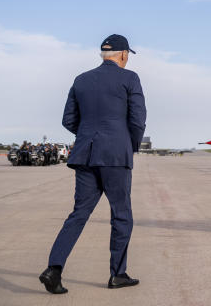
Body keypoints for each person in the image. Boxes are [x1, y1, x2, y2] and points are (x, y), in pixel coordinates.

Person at [40, 34, 147, 294]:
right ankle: (117, 274)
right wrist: (126, 144)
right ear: (123, 55)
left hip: (85, 156)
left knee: (78, 214)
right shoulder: (129, 78)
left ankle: (54, 269)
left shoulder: (81, 79)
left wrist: (89, 134)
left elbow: (68, 120)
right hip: (115, 157)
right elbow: (138, 120)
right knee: (121, 215)